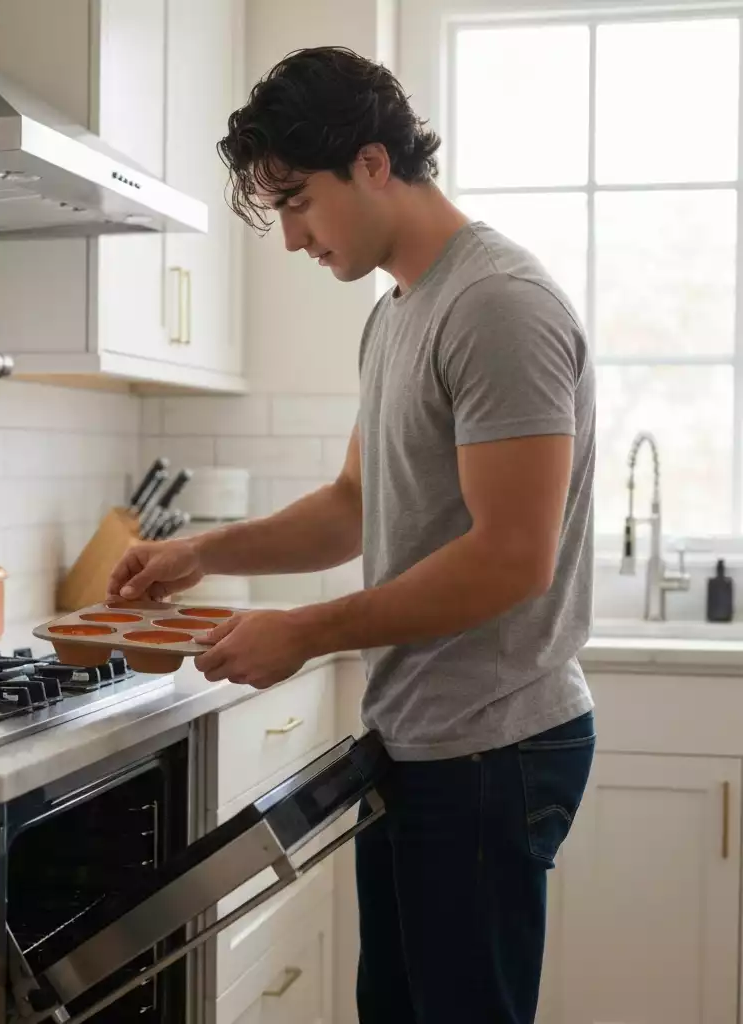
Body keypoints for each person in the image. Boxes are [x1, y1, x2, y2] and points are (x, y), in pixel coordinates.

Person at [107, 45, 596, 1024]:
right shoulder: (398, 314)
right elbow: (350, 502)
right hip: (421, 740)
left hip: (490, 748)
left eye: (297, 201)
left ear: (373, 163)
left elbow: (512, 555)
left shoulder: (495, 304)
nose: (290, 238)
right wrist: (206, 552)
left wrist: (306, 629)